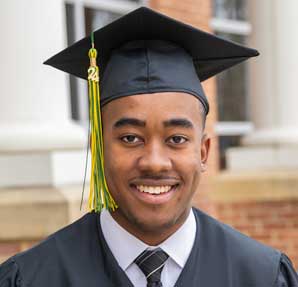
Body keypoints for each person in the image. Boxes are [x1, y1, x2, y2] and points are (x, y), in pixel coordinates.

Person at [0, 7, 297, 287]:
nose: (155, 163)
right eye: (130, 138)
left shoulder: (261, 276)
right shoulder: (33, 278)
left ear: (204, 151)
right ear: (98, 148)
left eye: (176, 139)